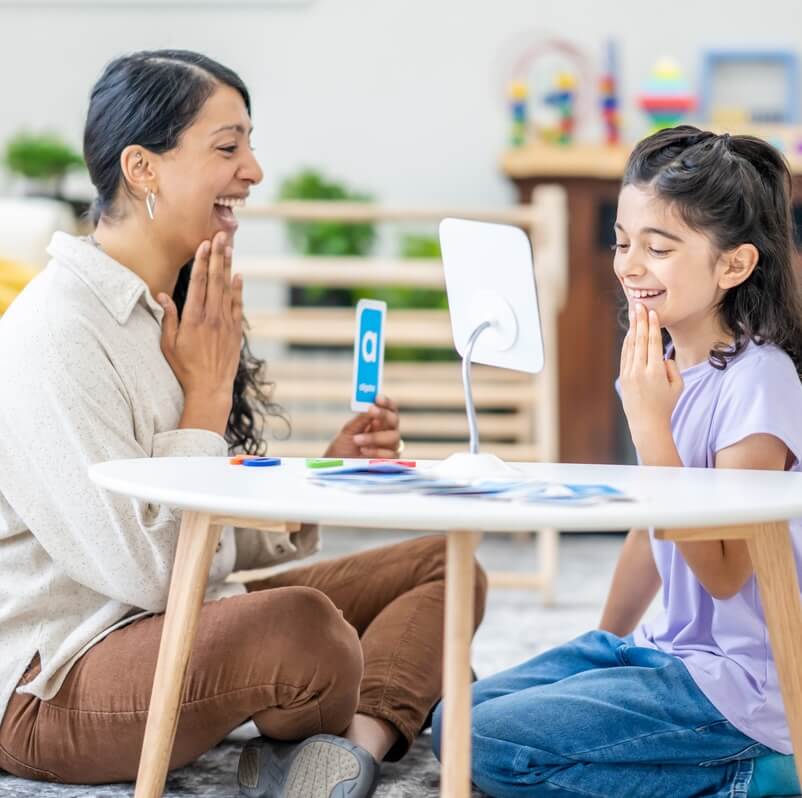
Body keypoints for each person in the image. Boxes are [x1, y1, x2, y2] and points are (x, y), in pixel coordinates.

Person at [0, 50, 487, 798]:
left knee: (448, 567)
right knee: (306, 630)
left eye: (250, 145)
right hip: (56, 683)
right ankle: (397, 689)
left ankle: (354, 743)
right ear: (143, 168)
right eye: (228, 147)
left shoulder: (174, 306)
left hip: (184, 617)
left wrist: (318, 474)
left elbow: (212, 544)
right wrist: (203, 401)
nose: (254, 170)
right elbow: (155, 572)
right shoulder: (56, 332)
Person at [432, 125, 802, 798]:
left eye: (658, 248)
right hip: (666, 654)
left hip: (737, 684)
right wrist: (603, 650)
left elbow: (724, 575)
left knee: (481, 745)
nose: (630, 265)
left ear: (734, 266)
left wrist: (649, 425)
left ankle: (750, 775)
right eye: (623, 242)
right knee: (450, 719)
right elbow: (650, 526)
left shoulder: (761, 380)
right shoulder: (662, 364)